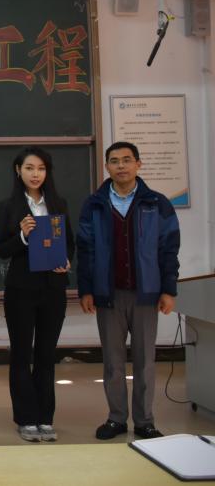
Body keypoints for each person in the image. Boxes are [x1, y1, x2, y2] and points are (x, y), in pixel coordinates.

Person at [77, 141, 179, 440]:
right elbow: (85, 249)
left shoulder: (157, 203)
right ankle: (116, 418)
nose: (121, 166)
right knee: (113, 361)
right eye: (114, 161)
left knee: (145, 361)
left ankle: (145, 421)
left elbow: (169, 248)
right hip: (108, 293)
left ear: (138, 164)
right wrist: (86, 289)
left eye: (126, 160)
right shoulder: (94, 204)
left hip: (146, 293)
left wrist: (168, 289)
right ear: (106, 166)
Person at [0, 147, 74, 442]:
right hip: (21, 290)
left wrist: (66, 261)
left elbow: (69, 243)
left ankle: (45, 417)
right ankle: (26, 418)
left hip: (53, 289)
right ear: (19, 171)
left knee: (46, 354)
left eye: (41, 168)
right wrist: (23, 236)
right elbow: (1, 250)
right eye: (29, 168)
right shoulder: (8, 206)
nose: (35, 174)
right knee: (21, 353)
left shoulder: (59, 204)